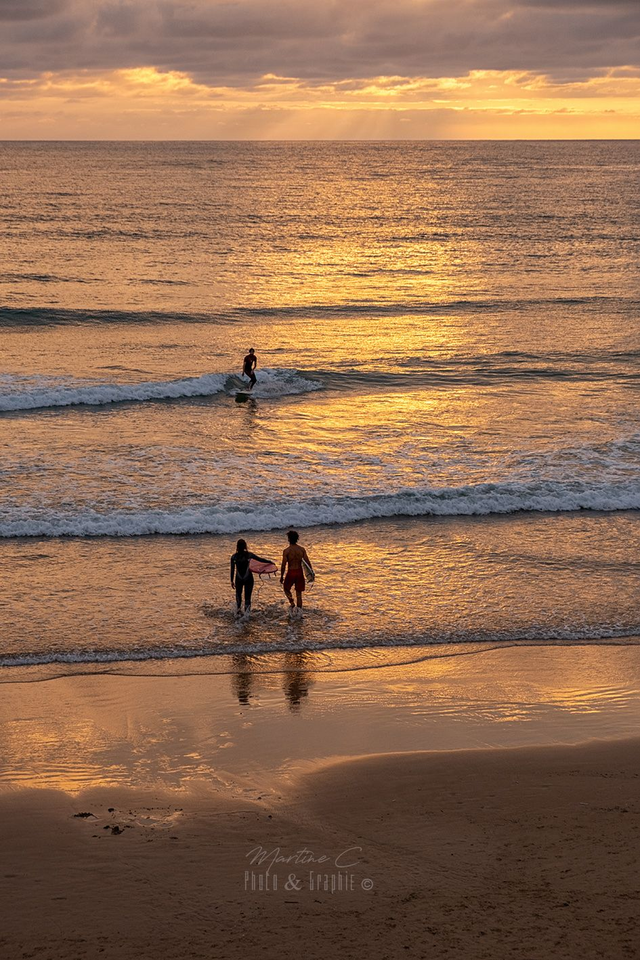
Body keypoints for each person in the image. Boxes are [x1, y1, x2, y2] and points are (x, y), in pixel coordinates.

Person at [230, 538, 272, 615]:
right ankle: (247, 615)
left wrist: (231, 581)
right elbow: (260, 559)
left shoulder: (234, 557)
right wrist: (269, 562)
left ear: (237, 547)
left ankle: (238, 613)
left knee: (238, 598)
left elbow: (232, 569)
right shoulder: (249, 555)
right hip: (248, 578)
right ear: (245, 546)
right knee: (247, 598)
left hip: (238, 578)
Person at [280, 530, 313, 611]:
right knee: (299, 594)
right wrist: (311, 573)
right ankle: (299, 611)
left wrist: (281, 576)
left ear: (288, 539)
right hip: (299, 572)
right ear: (297, 539)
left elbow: (283, 565)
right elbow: (307, 562)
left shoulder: (286, 551)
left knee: (286, 589)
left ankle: (292, 603)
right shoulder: (301, 549)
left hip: (291, 572)